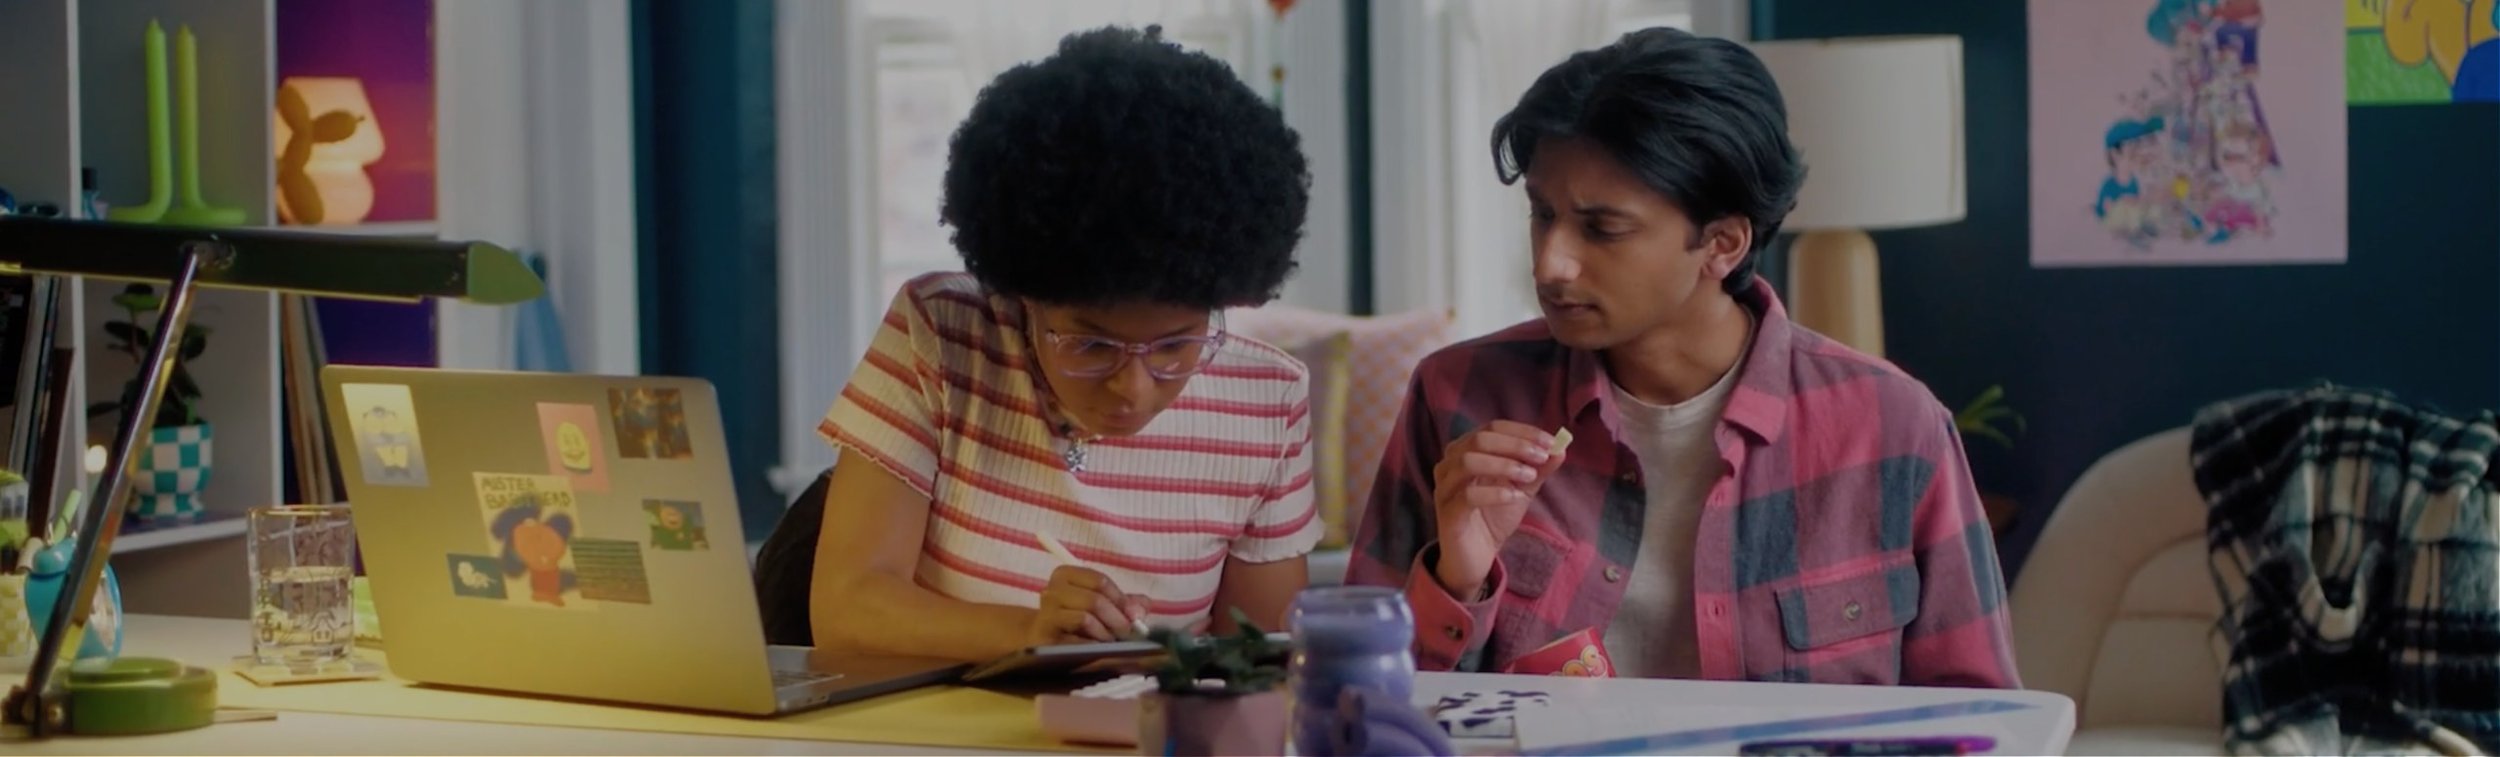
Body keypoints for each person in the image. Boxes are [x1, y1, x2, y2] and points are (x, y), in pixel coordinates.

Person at [1344, 27, 2019, 687]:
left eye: (1602, 229)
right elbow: (1353, 701)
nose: (1551, 264)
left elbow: (1983, 720)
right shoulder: (1459, 395)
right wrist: (1456, 580)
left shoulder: (1895, 429)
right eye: (1542, 214)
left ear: (1722, 244)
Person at [809, 26, 1319, 663]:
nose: (1133, 389)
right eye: (1091, 345)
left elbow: (1265, 659)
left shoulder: (1268, 401)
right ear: (1025, 296)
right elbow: (847, 608)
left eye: (1174, 347)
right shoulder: (941, 333)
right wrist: (1027, 635)